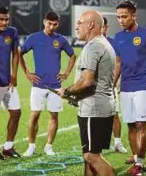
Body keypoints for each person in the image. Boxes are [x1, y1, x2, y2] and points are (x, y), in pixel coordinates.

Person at [58, 10, 115, 176]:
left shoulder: (94, 46)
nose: (77, 27)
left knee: (92, 156)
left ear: (91, 24)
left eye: (80, 23)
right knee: (89, 156)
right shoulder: (103, 43)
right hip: (101, 106)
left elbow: (87, 81)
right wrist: (76, 97)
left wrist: (67, 91)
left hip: (94, 109)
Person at [113, 0, 146, 175]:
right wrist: (112, 84)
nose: (121, 20)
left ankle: (139, 164)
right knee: (131, 125)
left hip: (144, 85)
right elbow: (118, 64)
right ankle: (136, 158)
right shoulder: (118, 37)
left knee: (142, 124)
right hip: (126, 87)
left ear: (134, 15)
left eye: (124, 16)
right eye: (118, 17)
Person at [20, 11, 76, 157]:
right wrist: (27, 72)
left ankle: (48, 146)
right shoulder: (34, 38)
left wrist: (66, 73)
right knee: (35, 115)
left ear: (57, 23)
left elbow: (72, 55)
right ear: (44, 22)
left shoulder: (61, 40)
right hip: (38, 85)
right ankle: (31, 146)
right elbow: (19, 53)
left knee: (54, 116)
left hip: (55, 85)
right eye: (49, 23)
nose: (52, 27)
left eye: (54, 24)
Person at [0, 6, 22, 159]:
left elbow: (15, 53)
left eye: (6, 19)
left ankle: (8, 147)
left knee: (16, 112)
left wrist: (14, 74)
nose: (4, 22)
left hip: (8, 82)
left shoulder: (12, 32)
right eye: (1, 19)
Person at [101, 16, 127, 154]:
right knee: (97, 115)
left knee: (114, 114)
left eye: (103, 26)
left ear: (106, 27)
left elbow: (118, 63)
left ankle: (117, 143)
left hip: (110, 84)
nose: (101, 29)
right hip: (96, 85)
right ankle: (99, 142)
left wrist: (114, 81)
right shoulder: (91, 43)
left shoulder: (113, 43)